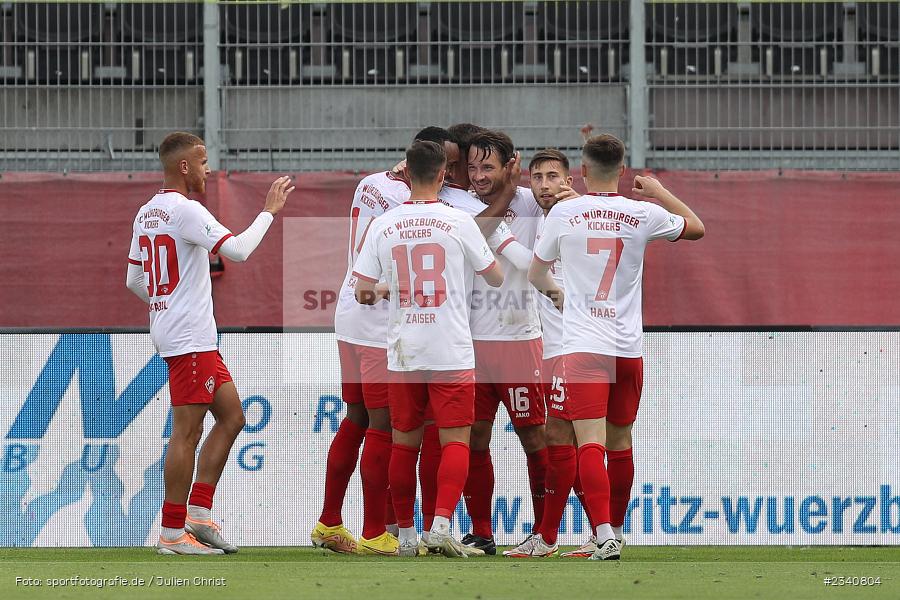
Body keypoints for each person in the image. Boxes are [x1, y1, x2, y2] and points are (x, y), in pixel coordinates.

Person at [520, 133, 705, 560]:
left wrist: (556, 293)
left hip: (585, 345)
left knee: (588, 442)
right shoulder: (642, 213)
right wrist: (659, 192)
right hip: (628, 348)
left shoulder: (565, 211)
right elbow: (696, 228)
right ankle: (615, 532)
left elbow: (535, 273)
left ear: (581, 172)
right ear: (622, 171)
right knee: (620, 441)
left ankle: (601, 536)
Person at [126, 131, 294, 555]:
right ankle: (170, 533)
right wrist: (269, 212)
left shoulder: (146, 212)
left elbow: (134, 281)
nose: (208, 168)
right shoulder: (185, 211)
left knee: (233, 416)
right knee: (186, 433)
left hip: (183, 332)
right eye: (202, 161)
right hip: (190, 337)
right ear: (184, 166)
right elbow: (236, 251)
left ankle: (198, 515)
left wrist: (165, 300)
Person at [354, 140, 504, 557]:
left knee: (404, 443)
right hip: (451, 347)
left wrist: (392, 287)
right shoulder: (459, 220)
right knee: (456, 440)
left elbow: (363, 291)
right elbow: (493, 277)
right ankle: (440, 525)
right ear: (443, 175)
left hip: (405, 350)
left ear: (407, 175)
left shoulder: (384, 224)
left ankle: (404, 535)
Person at [502, 149, 598, 558]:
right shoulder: (536, 212)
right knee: (570, 440)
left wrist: (500, 239)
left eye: (552, 176)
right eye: (536, 177)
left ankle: (557, 536)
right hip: (558, 346)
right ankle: (589, 532)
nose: (544, 185)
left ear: (570, 179)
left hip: (574, 347)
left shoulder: (575, 214)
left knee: (567, 439)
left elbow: (533, 267)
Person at [460, 130, 547, 555]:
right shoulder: (460, 204)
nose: (478, 176)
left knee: (535, 439)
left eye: (488, 167)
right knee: (475, 439)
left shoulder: (532, 202)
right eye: (472, 167)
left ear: (511, 164)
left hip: (519, 340)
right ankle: (481, 532)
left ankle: (543, 532)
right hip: (471, 342)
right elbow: (476, 233)